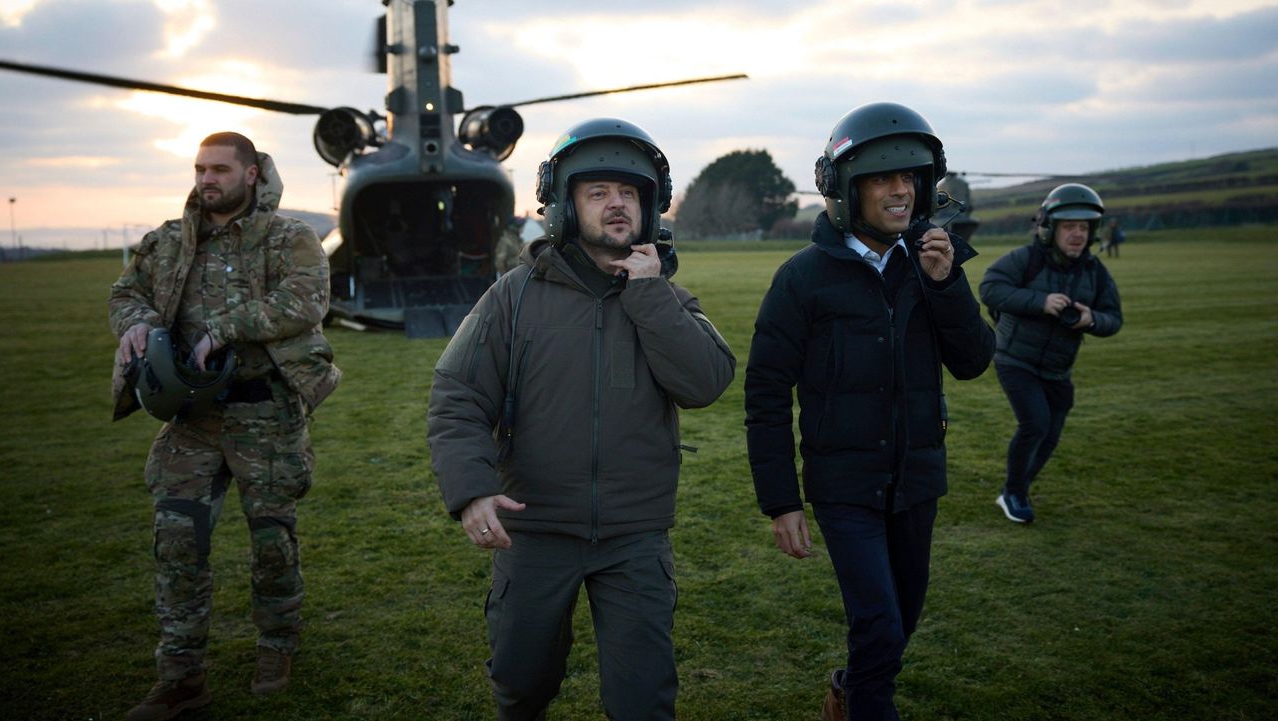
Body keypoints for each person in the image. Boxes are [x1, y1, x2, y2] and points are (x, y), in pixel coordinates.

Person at [427, 117, 735, 721]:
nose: (616, 204)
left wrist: (649, 293)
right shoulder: (513, 297)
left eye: (629, 193)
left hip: (635, 537)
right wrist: (470, 490)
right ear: (565, 205)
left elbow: (705, 383)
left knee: (643, 700)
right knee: (521, 686)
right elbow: (458, 394)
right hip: (533, 530)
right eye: (598, 192)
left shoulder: (668, 300)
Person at [744, 102, 994, 721]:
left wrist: (946, 284)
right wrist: (780, 502)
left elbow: (973, 361)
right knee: (879, 622)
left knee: (901, 621)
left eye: (909, 176)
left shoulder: (933, 264)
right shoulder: (802, 279)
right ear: (845, 190)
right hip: (843, 486)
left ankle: (847, 692)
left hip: (917, 480)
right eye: (883, 178)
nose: (901, 190)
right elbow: (766, 394)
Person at [109, 132, 340, 720]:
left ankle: (276, 647)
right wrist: (135, 322)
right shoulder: (168, 240)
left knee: (271, 541)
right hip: (191, 418)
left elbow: (306, 301)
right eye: (199, 169)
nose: (206, 179)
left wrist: (227, 327)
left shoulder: (292, 238)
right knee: (177, 539)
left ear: (252, 174)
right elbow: (124, 291)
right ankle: (181, 676)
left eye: (219, 169)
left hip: (265, 411)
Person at [979, 183, 1122, 523]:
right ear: (1049, 228)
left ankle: (1018, 487)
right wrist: (1041, 302)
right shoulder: (1025, 259)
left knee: (1051, 434)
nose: (1077, 235)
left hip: (1058, 369)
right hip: (1015, 359)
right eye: (1069, 227)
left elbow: (1113, 318)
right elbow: (991, 288)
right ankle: (1014, 493)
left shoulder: (1095, 272)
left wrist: (1091, 319)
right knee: (1035, 423)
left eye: (1083, 228)